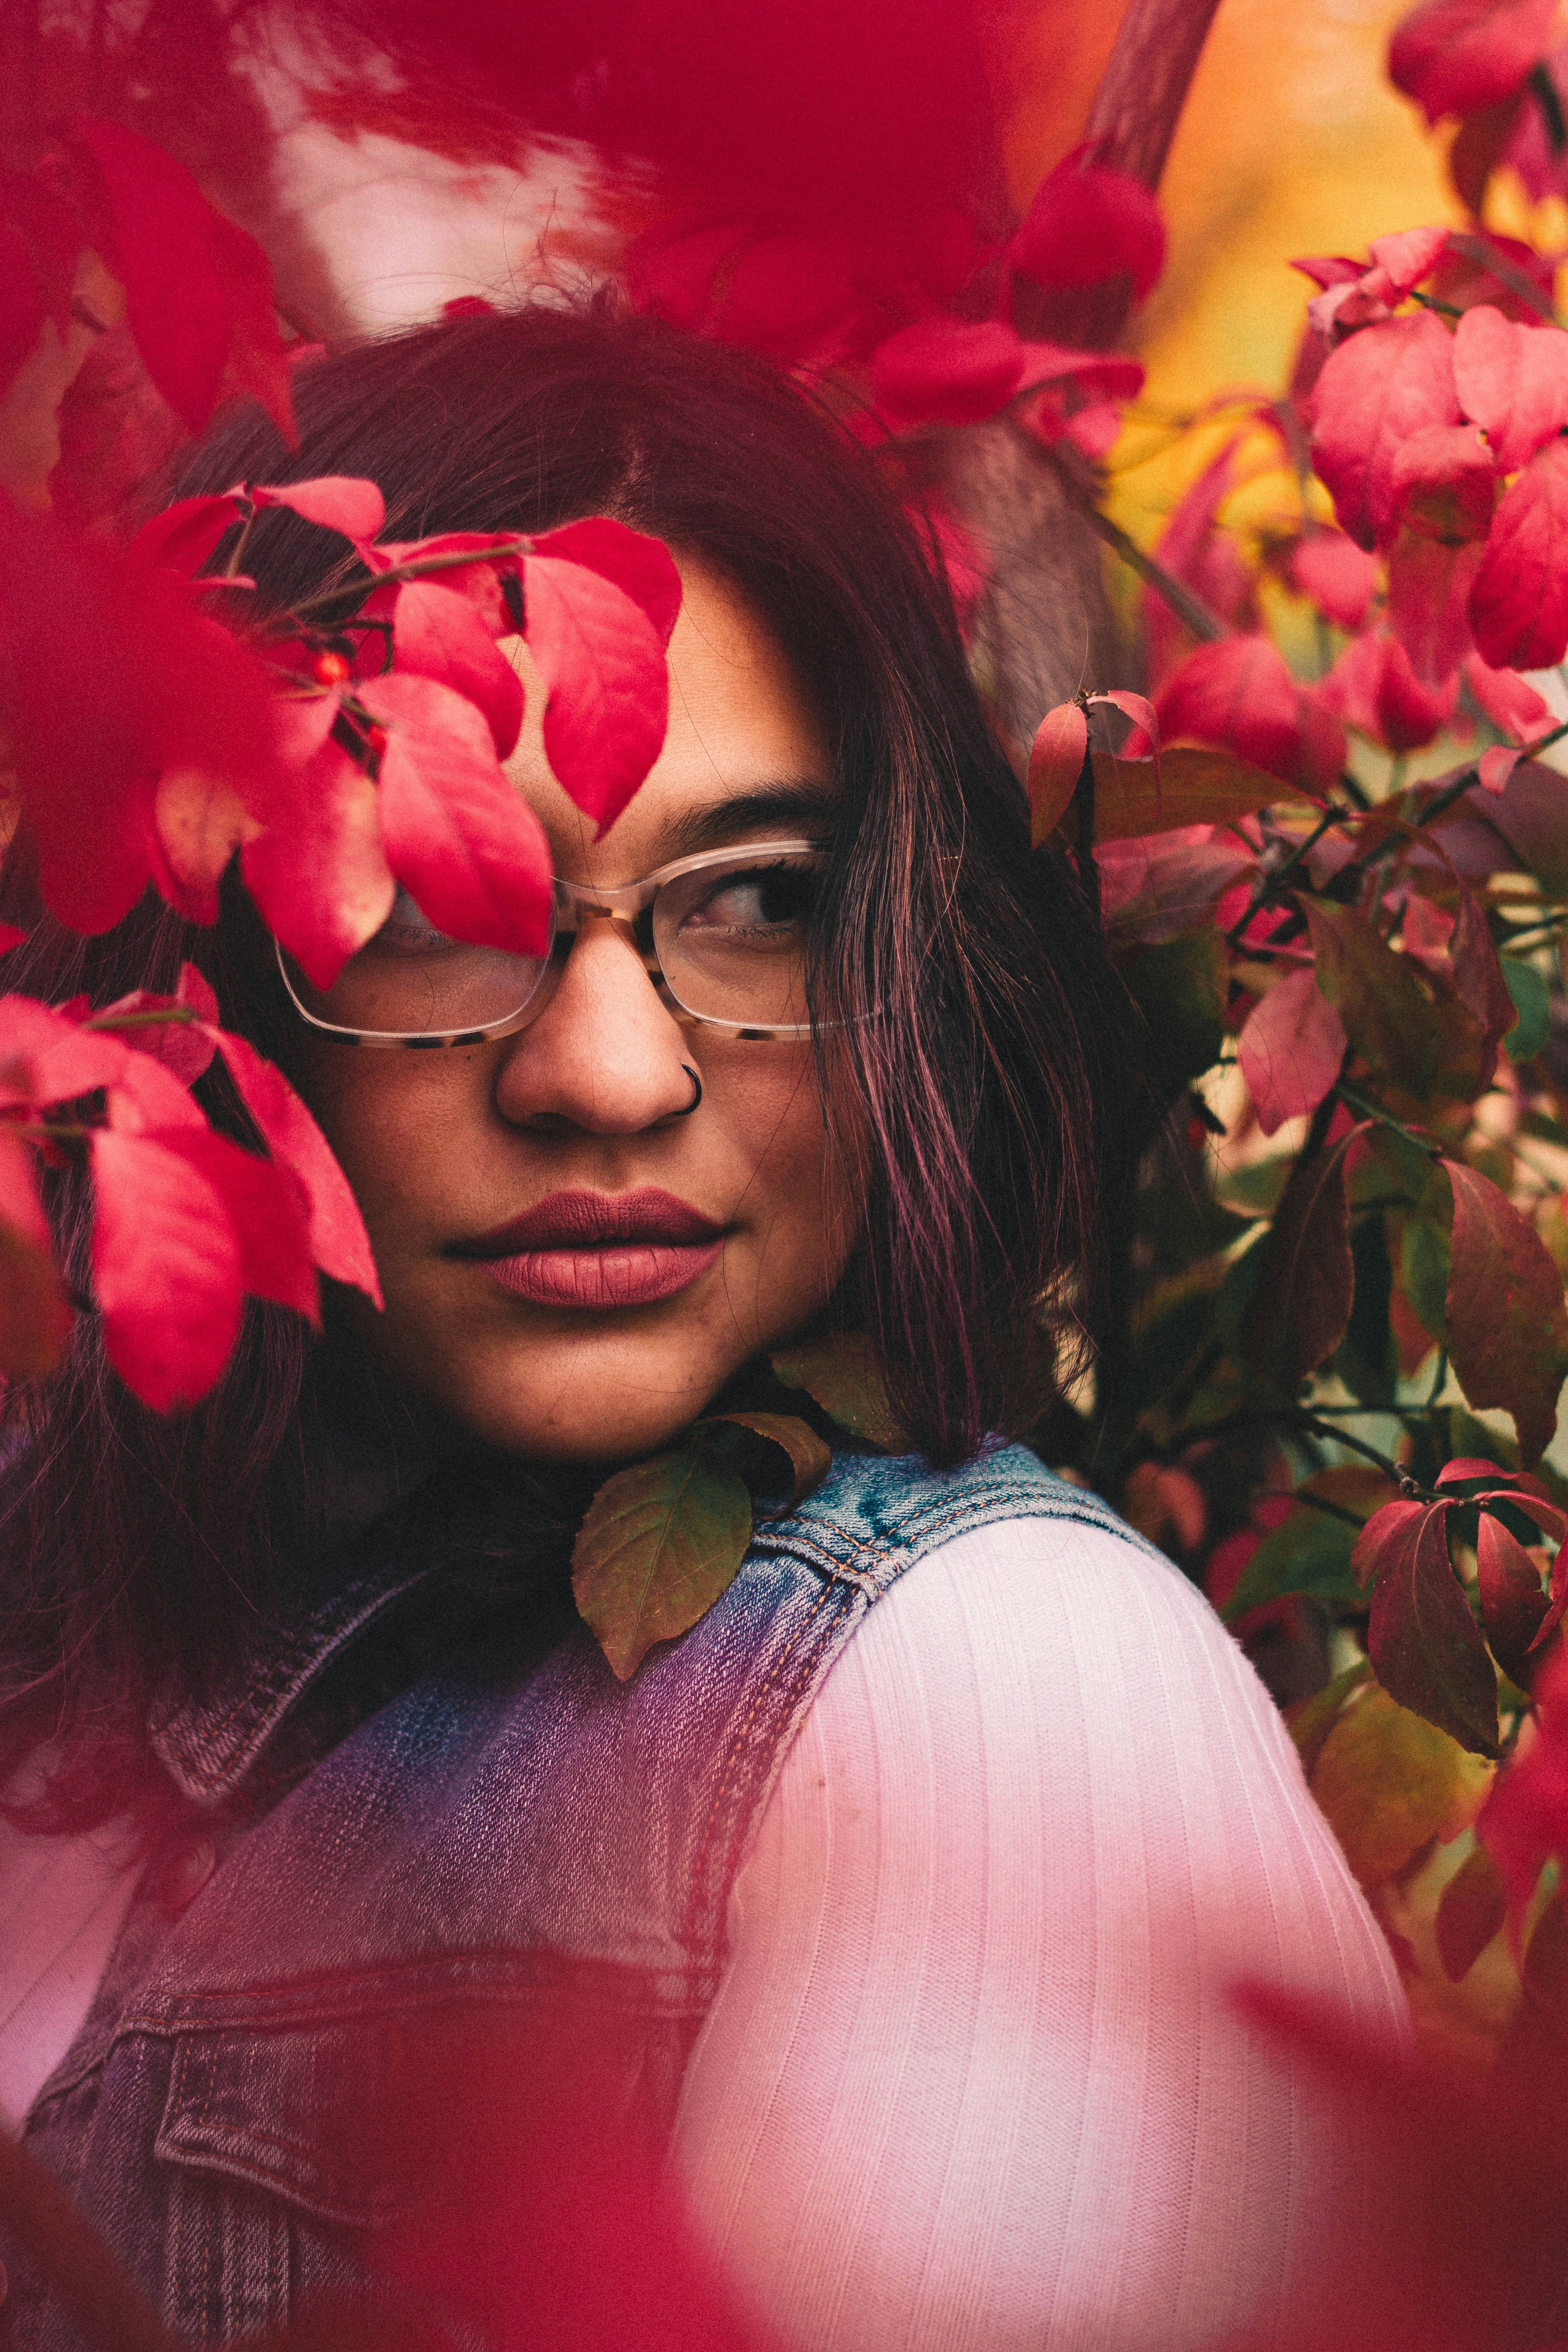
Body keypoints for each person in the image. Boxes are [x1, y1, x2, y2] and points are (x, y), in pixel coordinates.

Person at [0, 300, 1402, 2351]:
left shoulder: (985, 1691)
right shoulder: (75, 1603)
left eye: (755, 898)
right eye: (428, 904)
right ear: (195, 951)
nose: (612, 1075)